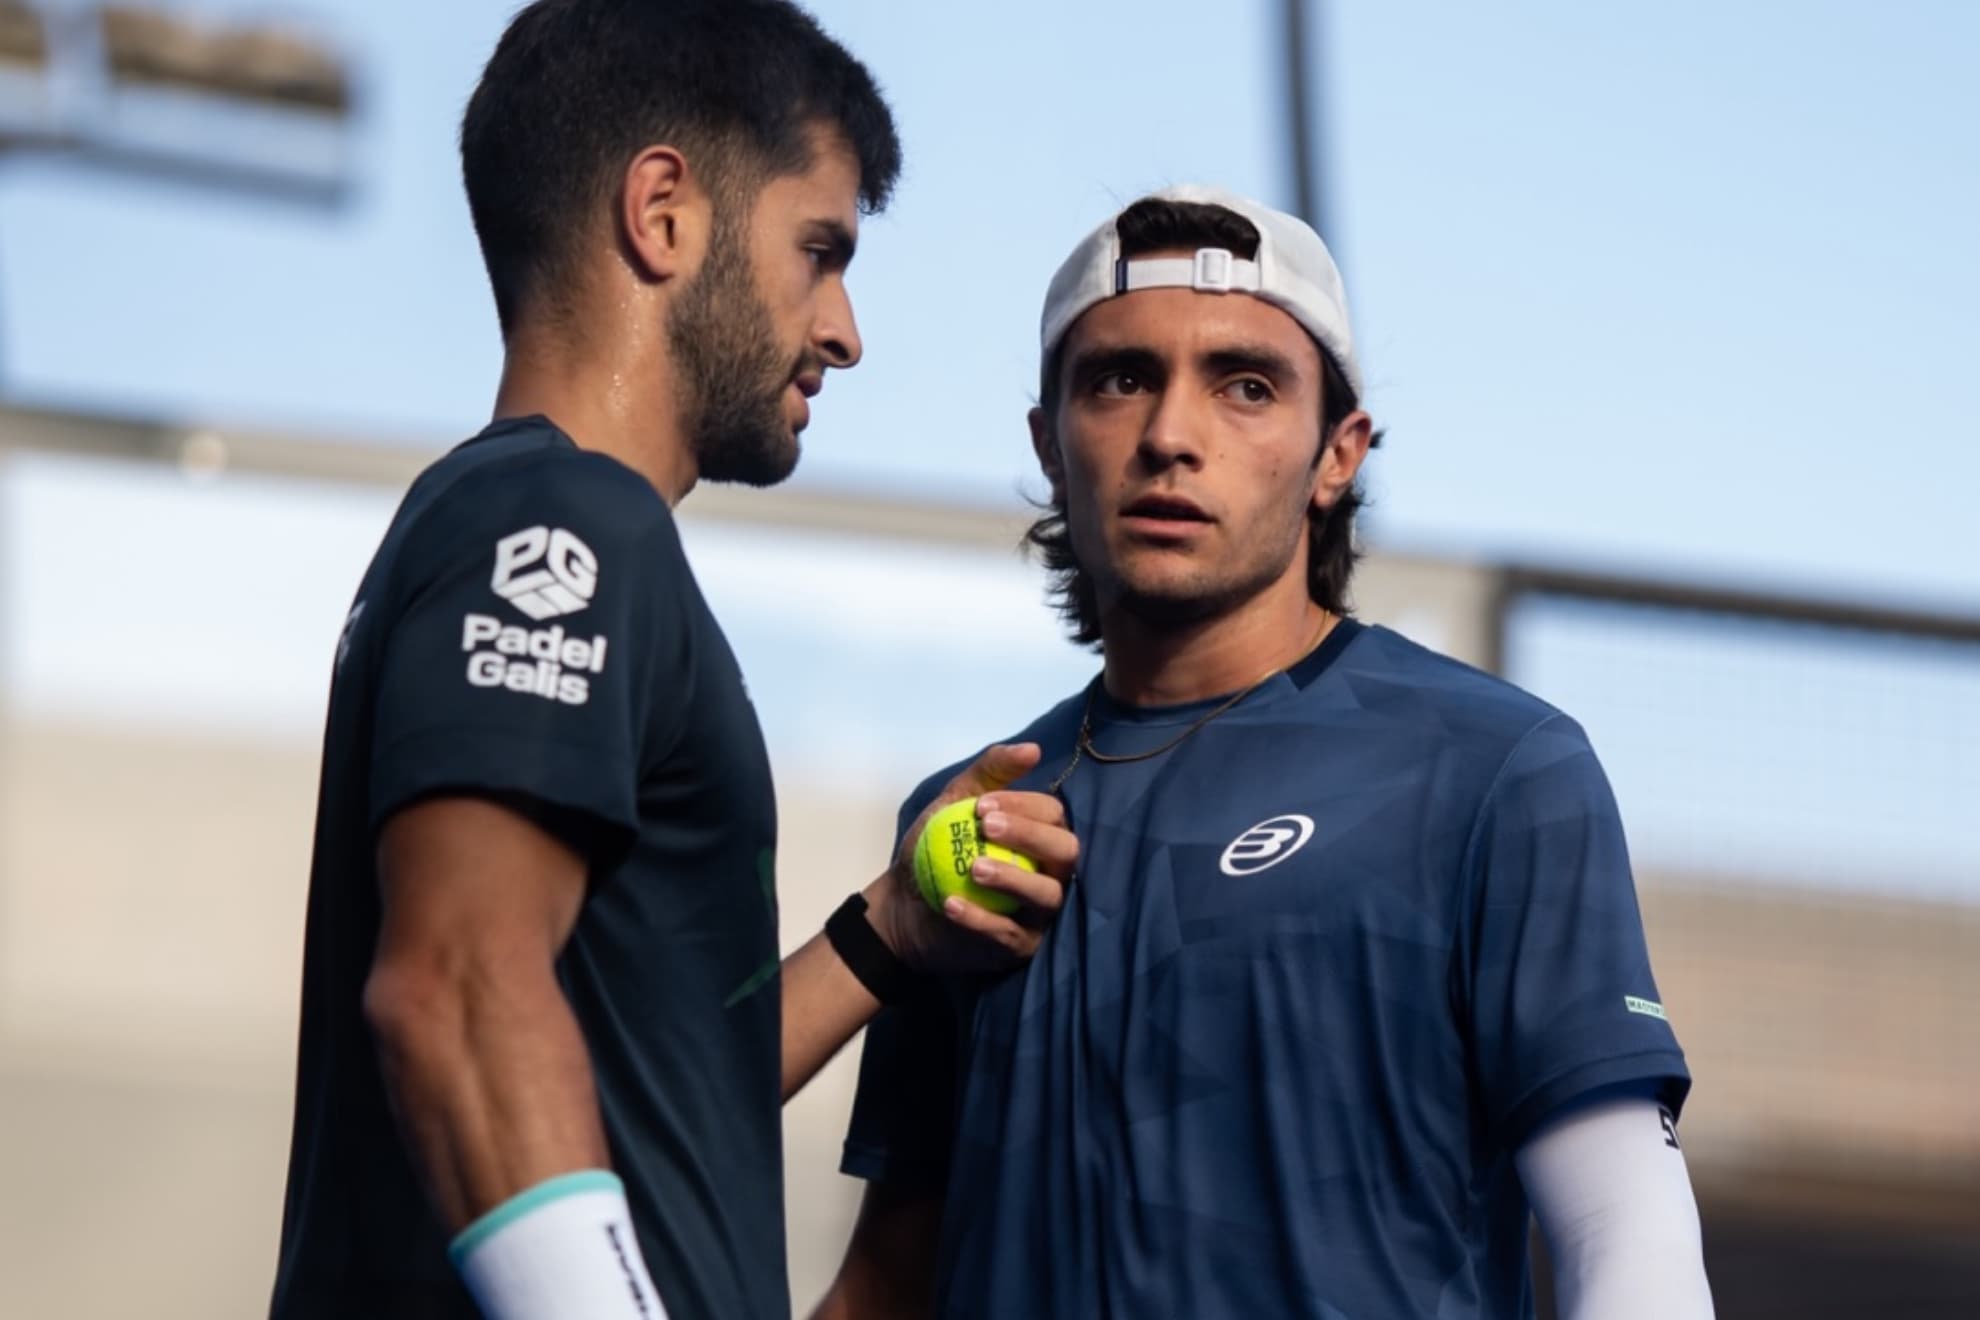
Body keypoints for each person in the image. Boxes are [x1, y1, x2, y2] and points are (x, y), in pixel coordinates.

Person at [268, 4, 1074, 1318]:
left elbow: (649, 1088)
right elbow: (457, 990)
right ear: (665, 214)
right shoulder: (566, 520)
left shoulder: (521, 521)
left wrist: (888, 932)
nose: (845, 329)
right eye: (820, 252)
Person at [817, 186, 1716, 1320]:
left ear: (1337, 454)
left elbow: (1623, 1231)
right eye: (1119, 379)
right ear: (1048, 443)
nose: (1170, 436)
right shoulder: (964, 819)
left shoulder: (1497, 769)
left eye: (1245, 385)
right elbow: (888, 1288)